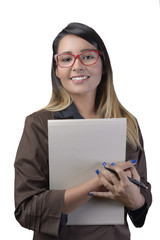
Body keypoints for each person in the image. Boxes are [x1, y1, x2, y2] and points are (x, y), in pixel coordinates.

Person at [14, 22, 152, 240]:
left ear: (103, 65)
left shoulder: (128, 123)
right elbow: (27, 209)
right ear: (57, 70)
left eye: (87, 56)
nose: (77, 66)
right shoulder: (39, 124)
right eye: (66, 59)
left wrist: (135, 199)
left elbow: (141, 206)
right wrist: (98, 182)